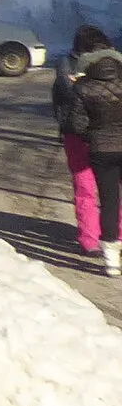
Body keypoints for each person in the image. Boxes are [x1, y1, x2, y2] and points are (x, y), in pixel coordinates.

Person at [67, 36, 122, 276]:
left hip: (102, 150)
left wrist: (93, 137)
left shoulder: (82, 87)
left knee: (109, 200)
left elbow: (76, 124)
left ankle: (111, 258)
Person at [57, 26, 112, 256]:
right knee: (97, 187)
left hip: (85, 134)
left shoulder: (68, 65)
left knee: (90, 188)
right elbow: (68, 95)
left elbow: (64, 96)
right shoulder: (70, 65)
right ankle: (96, 238)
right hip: (94, 134)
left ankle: (96, 238)